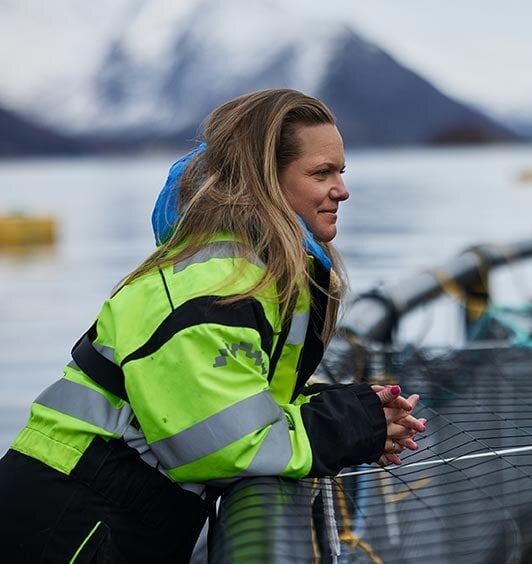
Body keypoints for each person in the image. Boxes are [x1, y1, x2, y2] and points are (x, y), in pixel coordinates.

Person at [0, 89, 425, 563]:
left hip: (108, 515)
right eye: (321, 173)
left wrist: (361, 409)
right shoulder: (218, 287)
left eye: (341, 172)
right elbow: (226, 443)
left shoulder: (247, 272)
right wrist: (356, 426)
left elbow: (232, 401)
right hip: (70, 522)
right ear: (264, 179)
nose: (341, 189)